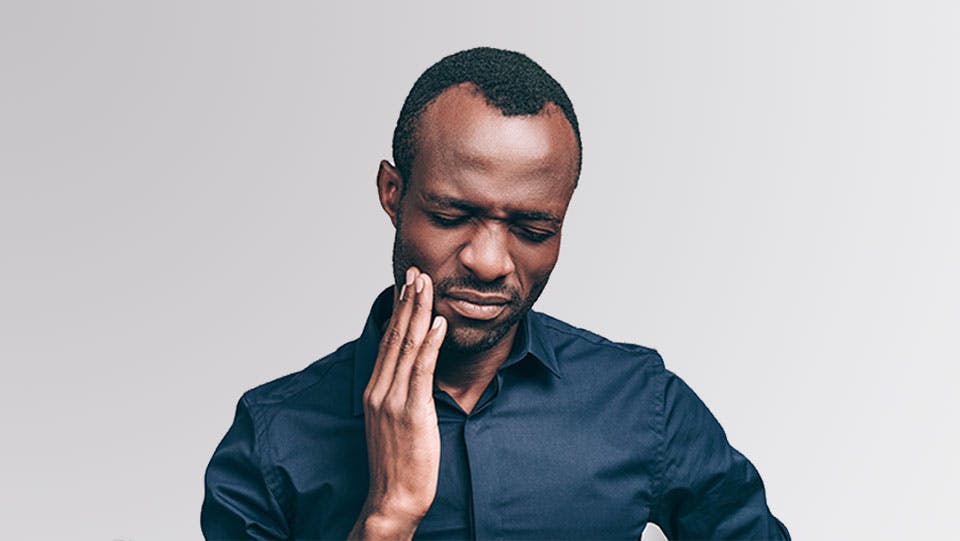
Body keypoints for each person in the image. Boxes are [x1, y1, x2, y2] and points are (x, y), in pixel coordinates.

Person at [201, 47, 789, 540]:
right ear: (391, 193)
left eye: (533, 230)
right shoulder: (273, 437)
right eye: (451, 215)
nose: (488, 263)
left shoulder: (641, 403)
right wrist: (387, 518)